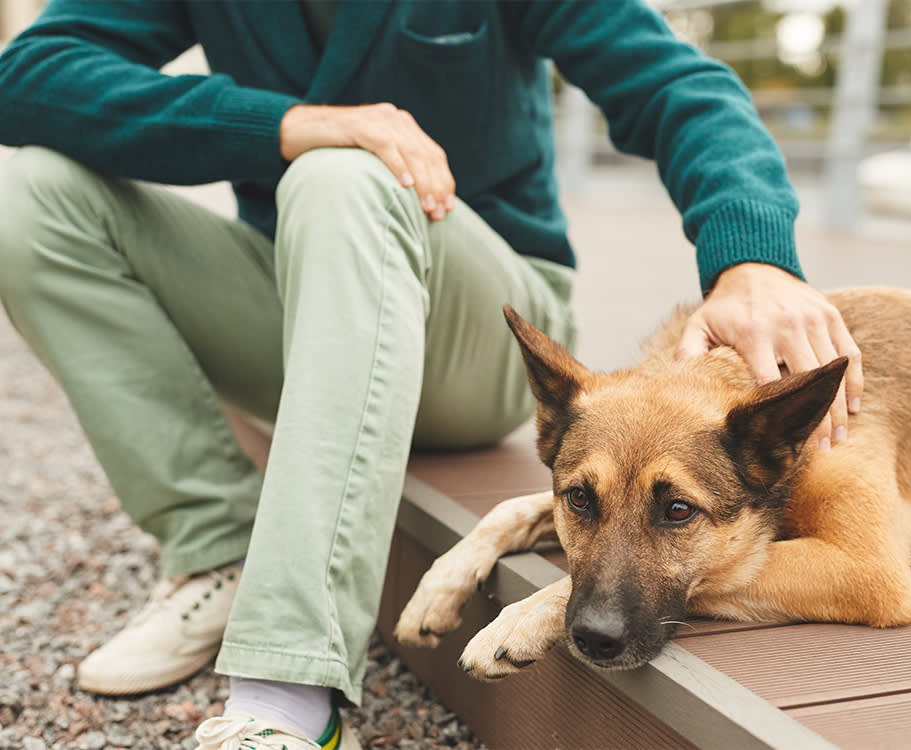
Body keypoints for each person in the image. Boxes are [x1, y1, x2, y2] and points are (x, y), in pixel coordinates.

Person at [0, 1, 863, 748]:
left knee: (343, 176)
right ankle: (216, 546)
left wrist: (751, 257)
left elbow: (678, 86)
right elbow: (26, 76)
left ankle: (286, 690)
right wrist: (283, 124)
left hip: (480, 338)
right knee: (28, 195)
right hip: (301, 304)